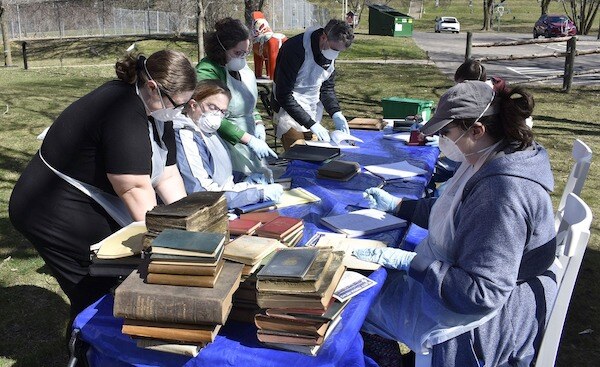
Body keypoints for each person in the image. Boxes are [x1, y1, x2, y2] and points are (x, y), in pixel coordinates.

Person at [355, 81, 557, 366]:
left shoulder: (501, 193)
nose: (440, 139)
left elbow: (482, 292)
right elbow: (454, 213)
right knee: (371, 286)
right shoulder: (488, 155)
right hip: (463, 287)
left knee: (356, 304)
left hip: (484, 321)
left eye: (446, 132)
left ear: (477, 130)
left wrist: (408, 261)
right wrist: (399, 206)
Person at [8, 50, 196, 338]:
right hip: (49, 206)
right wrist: (167, 243)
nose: (179, 111)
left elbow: (168, 174)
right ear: (152, 86)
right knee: (97, 279)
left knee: (122, 267)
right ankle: (89, 347)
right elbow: (134, 187)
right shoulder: (121, 109)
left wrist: (190, 222)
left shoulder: (159, 108)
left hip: (91, 199)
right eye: (177, 104)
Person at [173, 79, 283, 208]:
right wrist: (256, 194)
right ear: (193, 105)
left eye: (223, 111)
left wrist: (244, 179)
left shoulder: (206, 130)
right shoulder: (186, 135)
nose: (217, 115)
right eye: (212, 107)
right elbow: (201, 194)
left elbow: (219, 172)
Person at [197, 17, 276, 179]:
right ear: (221, 49)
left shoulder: (240, 65)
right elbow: (210, 116)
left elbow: (247, 100)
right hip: (224, 140)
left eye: (245, 52)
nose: (242, 57)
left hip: (249, 136)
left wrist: (258, 122)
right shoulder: (207, 71)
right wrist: (248, 139)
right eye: (237, 52)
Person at [272, 19, 355, 150]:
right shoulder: (294, 49)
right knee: (299, 156)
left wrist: (335, 112)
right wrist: (310, 124)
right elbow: (283, 94)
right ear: (323, 37)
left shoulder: (329, 53)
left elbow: (326, 88)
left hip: (312, 109)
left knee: (316, 155)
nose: (334, 54)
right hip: (287, 112)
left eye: (339, 51)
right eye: (334, 49)